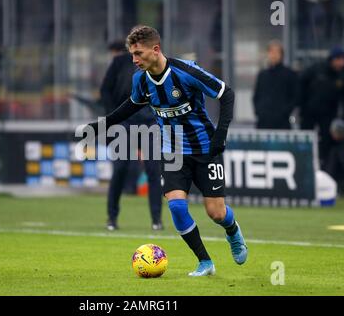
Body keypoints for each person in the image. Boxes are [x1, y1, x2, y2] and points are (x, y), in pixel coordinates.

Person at [86, 26, 247, 277]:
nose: (134, 60)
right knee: (177, 207)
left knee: (216, 212)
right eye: (132, 54)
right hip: (172, 153)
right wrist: (101, 124)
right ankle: (205, 262)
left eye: (138, 53)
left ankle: (233, 231)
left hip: (205, 149)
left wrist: (220, 136)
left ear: (156, 49)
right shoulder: (140, 79)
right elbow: (130, 106)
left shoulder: (186, 71)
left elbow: (227, 94)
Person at [100, 40, 163, 231]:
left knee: (154, 171)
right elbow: (105, 90)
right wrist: (114, 116)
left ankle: (156, 220)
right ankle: (111, 218)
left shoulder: (157, 63)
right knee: (120, 169)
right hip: (124, 124)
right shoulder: (120, 62)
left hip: (150, 124)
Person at [299, 47, 344, 169]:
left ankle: (325, 166)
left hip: (329, 115)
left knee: (327, 143)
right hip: (309, 113)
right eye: (337, 59)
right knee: (306, 138)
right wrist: (301, 107)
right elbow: (301, 84)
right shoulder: (317, 70)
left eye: (342, 60)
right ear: (331, 60)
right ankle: (303, 163)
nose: (340, 63)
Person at [253, 41, 298, 129]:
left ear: (282, 55)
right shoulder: (262, 74)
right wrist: (259, 111)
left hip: (282, 122)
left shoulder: (289, 74)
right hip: (263, 121)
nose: (274, 55)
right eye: (271, 52)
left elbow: (295, 97)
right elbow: (256, 95)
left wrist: (285, 112)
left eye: (277, 52)